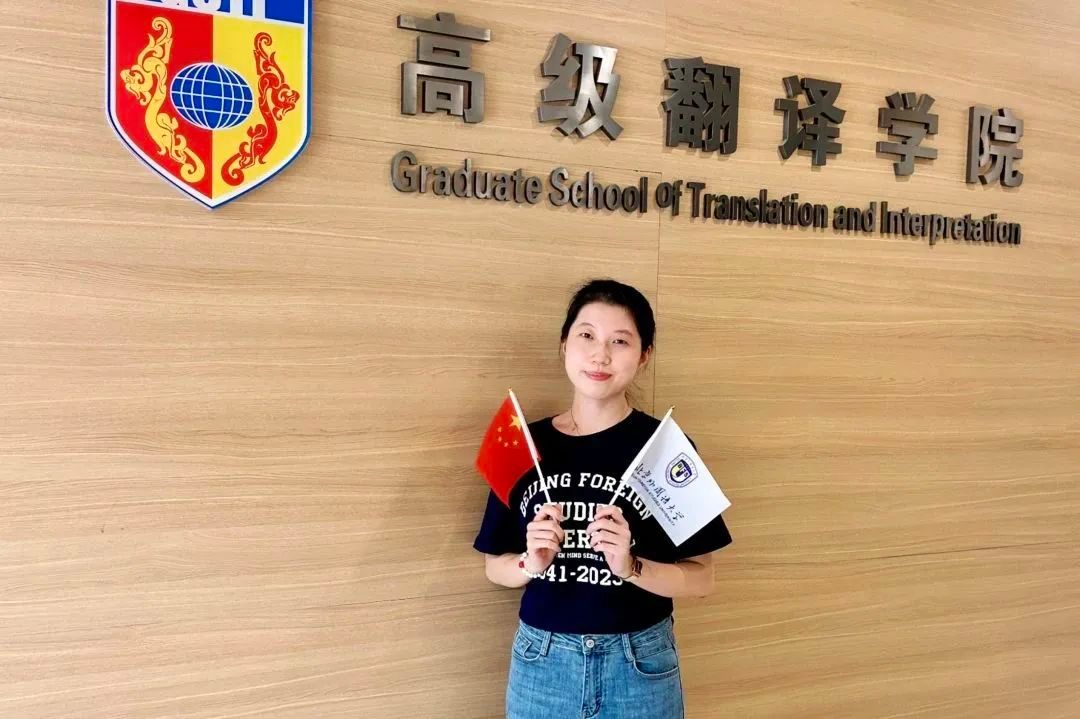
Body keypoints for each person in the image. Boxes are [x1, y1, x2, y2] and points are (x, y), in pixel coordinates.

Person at [473, 278, 733, 719]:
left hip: (639, 662)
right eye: (587, 335)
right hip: (543, 663)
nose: (600, 355)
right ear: (564, 344)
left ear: (644, 355)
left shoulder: (664, 449)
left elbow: (701, 578)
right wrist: (529, 564)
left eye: (620, 341)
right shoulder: (524, 444)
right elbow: (493, 566)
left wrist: (631, 567)